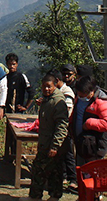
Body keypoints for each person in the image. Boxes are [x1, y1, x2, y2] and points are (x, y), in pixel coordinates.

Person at [25, 73, 69, 201]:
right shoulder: (48, 99)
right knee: (53, 171)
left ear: (55, 85)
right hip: (46, 142)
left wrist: (55, 146)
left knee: (40, 170)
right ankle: (52, 196)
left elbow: (62, 126)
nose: (46, 89)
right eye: (44, 87)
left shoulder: (58, 102)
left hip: (52, 144)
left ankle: (37, 196)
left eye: (49, 87)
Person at [70, 76, 107, 165]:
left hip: (94, 148)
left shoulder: (102, 102)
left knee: (92, 173)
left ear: (91, 91)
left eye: (82, 95)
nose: (80, 97)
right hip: (81, 144)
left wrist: (89, 124)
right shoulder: (79, 99)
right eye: (79, 94)